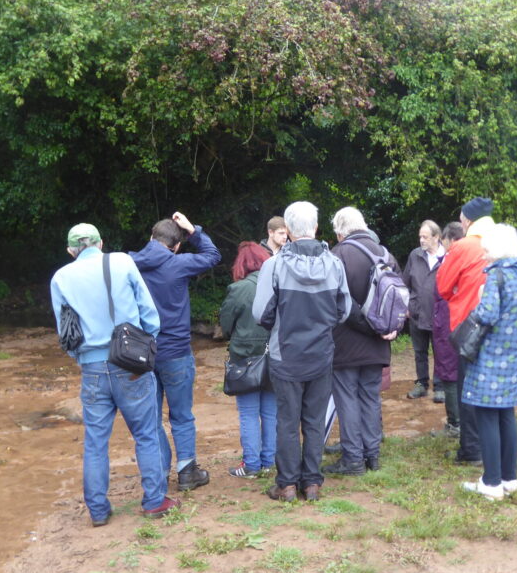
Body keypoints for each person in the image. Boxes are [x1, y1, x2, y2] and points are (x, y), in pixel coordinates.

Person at [50, 223, 176, 524]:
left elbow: (65, 333)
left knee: (95, 441)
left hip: (92, 367)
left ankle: (97, 511)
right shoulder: (121, 261)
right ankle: (154, 502)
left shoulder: (60, 278)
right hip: (131, 362)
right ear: (101, 243)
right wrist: (145, 346)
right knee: (146, 434)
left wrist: (82, 358)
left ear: (71, 251)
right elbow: (149, 314)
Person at [252, 201, 351, 502]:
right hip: (321, 354)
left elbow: (260, 314)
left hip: (286, 356)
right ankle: (312, 484)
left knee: (287, 421)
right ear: (316, 228)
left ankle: (287, 485)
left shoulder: (274, 265)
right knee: (314, 420)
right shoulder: (334, 264)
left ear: (290, 232)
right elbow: (343, 310)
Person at [130, 211, 221, 492]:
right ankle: (186, 473)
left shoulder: (129, 263)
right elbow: (212, 255)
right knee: (181, 415)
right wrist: (193, 230)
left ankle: (158, 472)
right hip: (177, 352)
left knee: (151, 417)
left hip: (141, 352)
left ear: (150, 238)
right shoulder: (179, 264)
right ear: (177, 245)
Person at [459, 224, 517, 499]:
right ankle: (509, 478)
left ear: (497, 252)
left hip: (491, 357)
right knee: (506, 414)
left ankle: (491, 483)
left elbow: (487, 314)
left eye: (486, 252)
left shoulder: (497, 276)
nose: (483, 257)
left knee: (485, 415)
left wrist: (478, 302)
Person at [323, 206, 400, 476]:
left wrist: (367, 327)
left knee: (347, 399)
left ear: (340, 231)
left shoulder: (338, 255)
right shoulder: (385, 254)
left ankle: (353, 460)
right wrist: (388, 328)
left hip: (345, 343)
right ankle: (373, 456)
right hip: (379, 344)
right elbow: (398, 298)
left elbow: (336, 303)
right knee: (370, 397)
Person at [435, 196, 496, 465]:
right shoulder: (501, 242)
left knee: (468, 387)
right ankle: (492, 445)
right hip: (498, 325)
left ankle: (471, 450)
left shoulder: (464, 246)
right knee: (492, 386)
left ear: (469, 220)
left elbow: (443, 286)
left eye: (461, 218)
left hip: (469, 326)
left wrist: (460, 290)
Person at [219, 242, 276, 478]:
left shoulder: (238, 289)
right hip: (274, 357)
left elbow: (225, 326)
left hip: (244, 361)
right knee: (272, 413)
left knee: (249, 413)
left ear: (241, 264)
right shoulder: (276, 285)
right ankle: (270, 461)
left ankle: (251, 465)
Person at [402, 220, 446, 402]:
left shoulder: (447, 257)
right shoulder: (415, 255)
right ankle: (421, 384)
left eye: (425, 237)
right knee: (420, 352)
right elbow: (404, 283)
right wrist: (406, 306)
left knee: (440, 351)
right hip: (417, 313)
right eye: (420, 236)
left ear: (436, 237)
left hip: (439, 315)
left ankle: (440, 386)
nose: (421, 240)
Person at [431, 221, 465, 437]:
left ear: (450, 240)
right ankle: (462, 422)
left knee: (449, 372)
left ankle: (455, 424)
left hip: (448, 322)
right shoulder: (476, 259)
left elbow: (443, 291)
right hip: (458, 321)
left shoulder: (453, 260)